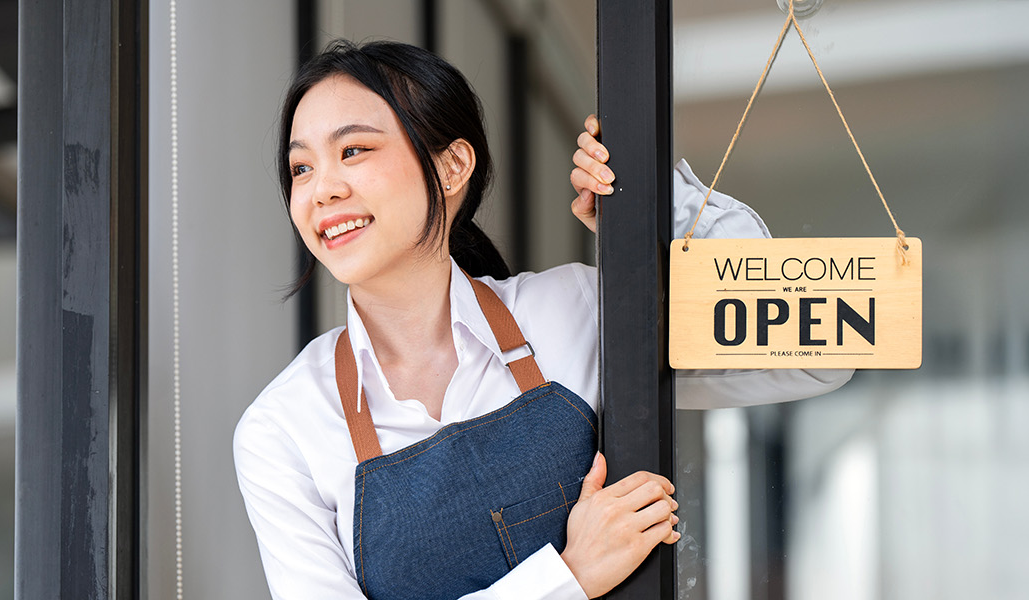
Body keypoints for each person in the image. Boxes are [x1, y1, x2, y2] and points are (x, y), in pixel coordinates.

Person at [233, 40, 851, 600]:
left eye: (354, 151)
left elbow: (815, 352)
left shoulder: (571, 311)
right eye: (301, 167)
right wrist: (569, 577)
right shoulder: (284, 426)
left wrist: (650, 204)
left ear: (451, 168)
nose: (322, 190)